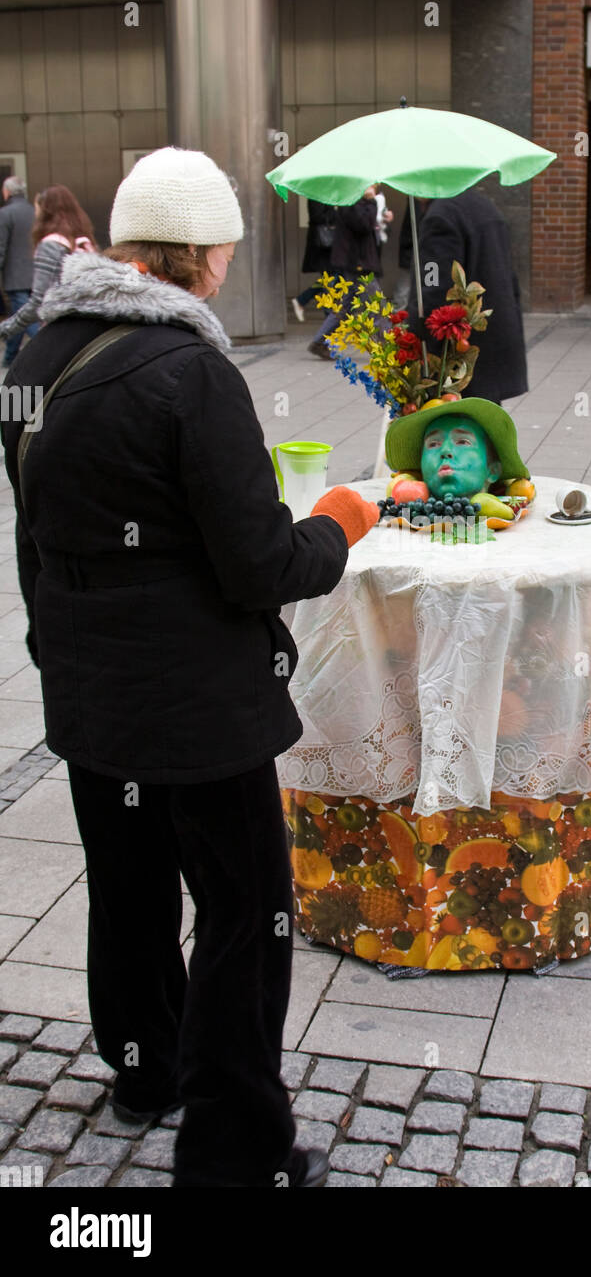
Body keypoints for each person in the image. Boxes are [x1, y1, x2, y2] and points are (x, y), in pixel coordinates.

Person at [0, 145, 379, 1188]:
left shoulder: (34, 356)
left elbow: (36, 536)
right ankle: (235, 1149)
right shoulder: (192, 372)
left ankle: (144, 1070)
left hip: (90, 690)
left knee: (126, 891)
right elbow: (257, 564)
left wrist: (56, 650)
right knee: (244, 913)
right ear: (202, 254)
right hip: (201, 706)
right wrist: (337, 525)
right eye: (227, 249)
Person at [408, 188, 528, 405]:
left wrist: (413, 338)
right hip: (493, 341)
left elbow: (433, 288)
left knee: (456, 422)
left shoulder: (440, 216)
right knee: (482, 419)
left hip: (460, 353)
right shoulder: (485, 206)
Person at [0, 185, 98, 362]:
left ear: (45, 210)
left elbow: (39, 301)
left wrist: (6, 328)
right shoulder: (84, 242)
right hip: (89, 332)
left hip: (61, 333)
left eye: (37, 207)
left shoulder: (51, 245)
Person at [308, 185, 382, 359]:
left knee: (346, 305)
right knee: (376, 305)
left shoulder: (352, 198)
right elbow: (364, 224)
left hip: (356, 260)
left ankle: (319, 341)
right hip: (357, 261)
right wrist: (371, 202)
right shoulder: (352, 198)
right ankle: (387, 347)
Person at [0, 176, 38, 368]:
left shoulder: (5, 214)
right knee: (20, 315)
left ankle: (47, 346)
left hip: (15, 276)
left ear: (7, 191)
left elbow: (1, 246)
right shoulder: (35, 212)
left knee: (25, 318)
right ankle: (10, 356)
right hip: (35, 274)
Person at [290, 197, 335, 323]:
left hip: (327, 244)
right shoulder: (317, 195)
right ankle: (329, 315)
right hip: (322, 243)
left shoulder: (326, 195)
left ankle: (302, 300)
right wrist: (336, 214)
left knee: (331, 278)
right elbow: (317, 216)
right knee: (329, 278)